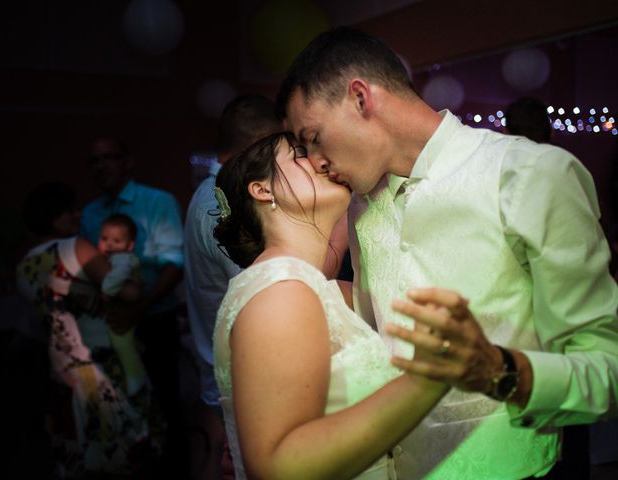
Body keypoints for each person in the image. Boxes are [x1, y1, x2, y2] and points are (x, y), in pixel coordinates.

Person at [276, 27, 618, 479]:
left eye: (313, 136)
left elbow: (607, 369)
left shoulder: (529, 175)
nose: (315, 160)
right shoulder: (359, 202)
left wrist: (499, 370)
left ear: (361, 98)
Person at [212, 131, 463, 479]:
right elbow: (276, 466)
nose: (320, 159)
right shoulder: (280, 291)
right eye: (300, 154)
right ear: (262, 189)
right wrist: (428, 381)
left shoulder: (319, 290)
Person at [16, 182, 162, 477]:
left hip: (63, 372)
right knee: (128, 451)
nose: (79, 215)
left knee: (84, 455)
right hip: (105, 362)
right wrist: (135, 282)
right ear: (54, 216)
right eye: (71, 209)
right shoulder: (75, 247)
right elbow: (125, 292)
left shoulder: (23, 266)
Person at [183, 94, 282, 478]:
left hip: (225, 368)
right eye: (278, 144)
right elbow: (263, 286)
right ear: (259, 144)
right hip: (238, 378)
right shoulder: (222, 204)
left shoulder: (213, 194)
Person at [80, 137, 185, 475]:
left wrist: (140, 307)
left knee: (165, 403)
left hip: (154, 317)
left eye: (110, 157)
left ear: (128, 161)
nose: (102, 166)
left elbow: (174, 262)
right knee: (120, 405)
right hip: (110, 322)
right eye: (95, 160)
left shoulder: (157, 202)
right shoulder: (90, 213)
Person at [97, 213, 147, 397]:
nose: (109, 244)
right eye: (104, 239)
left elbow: (118, 276)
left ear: (129, 245)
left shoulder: (122, 258)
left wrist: (107, 291)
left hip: (125, 308)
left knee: (120, 340)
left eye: (116, 241)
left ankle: (136, 376)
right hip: (124, 309)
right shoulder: (115, 257)